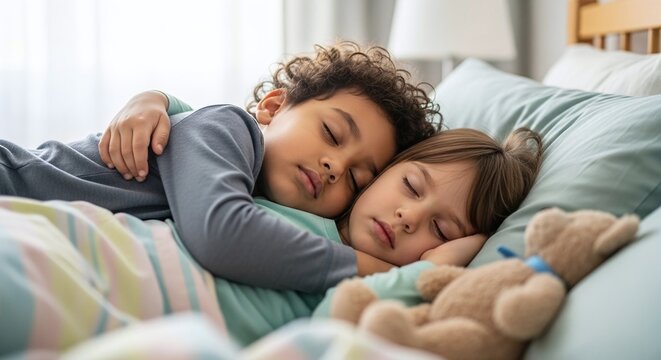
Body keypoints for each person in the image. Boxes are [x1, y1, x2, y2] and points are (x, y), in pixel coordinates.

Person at [0, 41, 439, 293]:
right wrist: (387, 271)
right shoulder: (230, 126)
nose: (334, 166)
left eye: (357, 178)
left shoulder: (248, 179)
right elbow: (223, 233)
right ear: (272, 107)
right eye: (331, 134)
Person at [103, 116, 543, 344]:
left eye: (441, 228)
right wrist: (159, 99)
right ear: (383, 171)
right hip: (118, 249)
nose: (409, 216)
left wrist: (432, 269)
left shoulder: (387, 290)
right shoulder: (300, 195)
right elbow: (212, 140)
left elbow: (330, 328)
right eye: (410, 186)